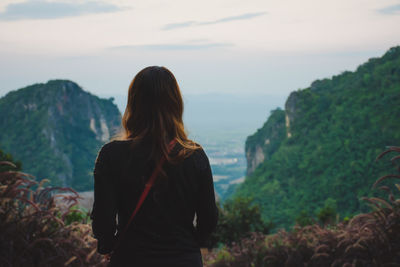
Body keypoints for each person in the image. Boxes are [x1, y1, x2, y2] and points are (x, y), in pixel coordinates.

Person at [90, 66, 218, 267]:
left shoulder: (111, 155)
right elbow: (209, 218)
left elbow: (102, 219)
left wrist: (108, 246)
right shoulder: (194, 156)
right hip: (183, 259)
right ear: (176, 104)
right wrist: (189, 245)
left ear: (134, 103)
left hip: (130, 258)